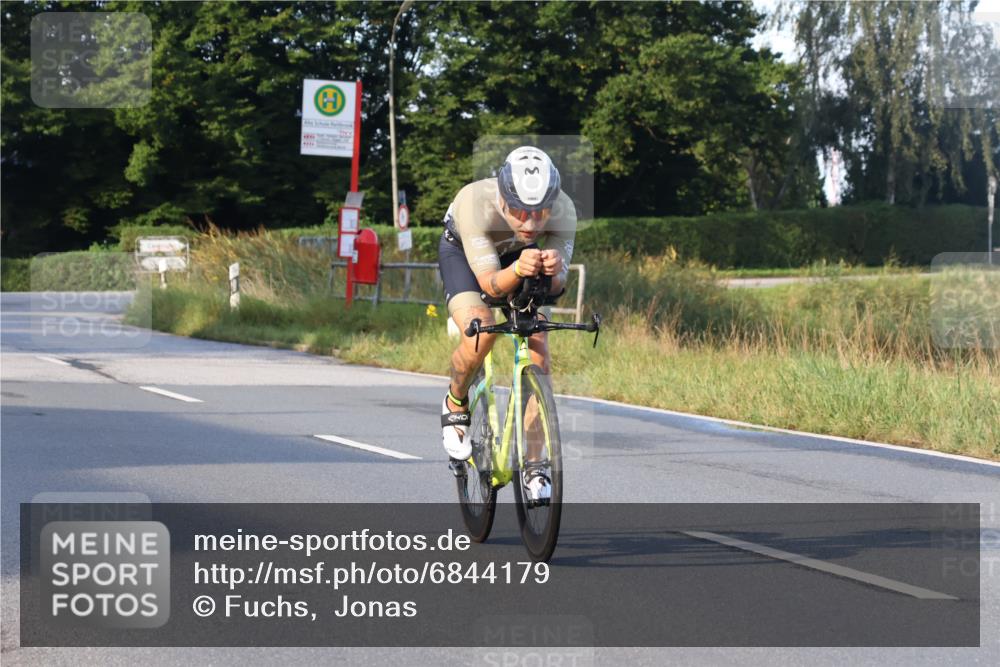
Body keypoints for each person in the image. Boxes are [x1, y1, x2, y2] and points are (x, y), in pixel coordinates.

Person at [437, 146, 577, 501]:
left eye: (540, 212)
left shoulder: (565, 209)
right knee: (480, 329)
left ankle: (535, 464)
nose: (530, 224)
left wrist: (554, 268)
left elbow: (558, 287)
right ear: (502, 197)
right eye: (519, 211)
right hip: (468, 257)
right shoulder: (474, 202)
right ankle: (455, 402)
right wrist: (517, 269)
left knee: (539, 342)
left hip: (519, 258)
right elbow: (489, 285)